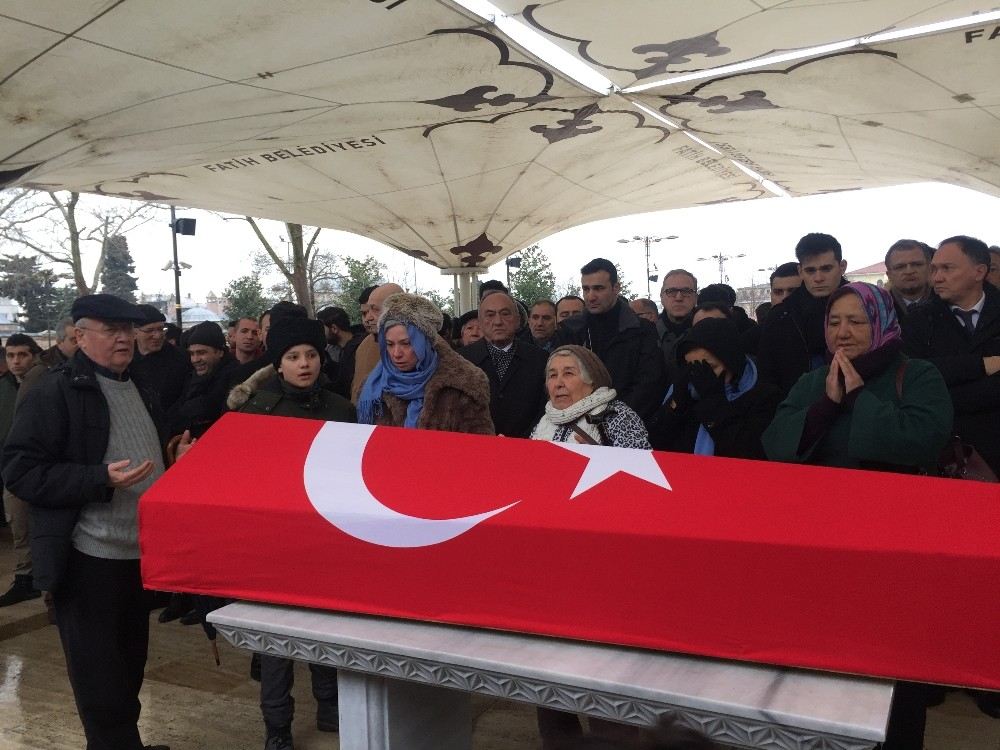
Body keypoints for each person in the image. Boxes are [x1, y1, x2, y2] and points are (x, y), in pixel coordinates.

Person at [763, 282, 952, 749]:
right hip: (823, 543)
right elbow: (775, 443)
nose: (842, 332)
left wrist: (858, 399)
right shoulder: (813, 380)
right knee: (825, 656)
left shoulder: (917, 373)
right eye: (834, 322)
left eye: (856, 321)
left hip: (895, 544)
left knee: (895, 664)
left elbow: (921, 438)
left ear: (881, 321)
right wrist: (825, 405)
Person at [2, 294, 178, 750]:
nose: (124, 338)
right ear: (79, 336)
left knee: (128, 671)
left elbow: (148, 459)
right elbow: (21, 471)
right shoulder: (52, 391)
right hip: (86, 558)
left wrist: (172, 459)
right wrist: (97, 478)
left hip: (137, 555)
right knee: (100, 684)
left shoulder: (141, 387)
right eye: (111, 329)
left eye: (128, 329)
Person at [228, 316, 355, 750]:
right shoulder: (255, 412)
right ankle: (277, 727)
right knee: (275, 641)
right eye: (294, 357)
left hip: (326, 540)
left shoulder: (342, 410)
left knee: (322, 631)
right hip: (273, 544)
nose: (305, 364)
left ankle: (329, 706)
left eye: (312, 355)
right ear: (278, 364)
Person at [901, 235, 1000, 475]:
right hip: (947, 454)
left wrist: (948, 383)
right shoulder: (918, 320)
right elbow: (914, 377)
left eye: (947, 268)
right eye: (934, 269)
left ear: (979, 271)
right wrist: (982, 365)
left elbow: (933, 377)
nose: (937, 277)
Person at [358, 293, 493, 433]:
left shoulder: (464, 385)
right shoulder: (372, 388)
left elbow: (478, 445)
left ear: (424, 343)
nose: (396, 353)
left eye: (406, 343)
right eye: (390, 344)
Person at [649, 318, 781, 458]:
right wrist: (676, 406)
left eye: (710, 367)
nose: (700, 375)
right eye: (692, 367)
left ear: (730, 361)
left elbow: (750, 453)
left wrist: (713, 403)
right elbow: (655, 444)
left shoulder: (764, 396)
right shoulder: (688, 391)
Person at [554, 258, 666, 422]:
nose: (591, 296)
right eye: (586, 289)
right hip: (578, 423)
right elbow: (559, 381)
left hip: (628, 423)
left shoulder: (642, 330)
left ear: (616, 288)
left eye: (598, 288)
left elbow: (648, 384)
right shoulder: (569, 331)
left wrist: (614, 419)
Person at [758, 233, 848, 394]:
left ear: (842, 267)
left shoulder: (868, 306)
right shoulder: (781, 316)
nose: (818, 278)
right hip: (799, 407)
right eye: (810, 270)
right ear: (800, 271)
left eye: (826, 269)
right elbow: (768, 377)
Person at [460, 292, 547, 437]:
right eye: (490, 315)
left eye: (505, 314)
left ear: (518, 320)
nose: (498, 321)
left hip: (528, 448)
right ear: (480, 321)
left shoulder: (540, 360)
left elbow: (545, 410)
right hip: (474, 448)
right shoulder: (460, 361)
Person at [0, 334, 46, 607]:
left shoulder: (43, 381)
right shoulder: (9, 386)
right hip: (16, 466)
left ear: (34, 355)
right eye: (11, 355)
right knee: (20, 523)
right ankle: (27, 577)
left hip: (35, 465)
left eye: (22, 355)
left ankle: (31, 578)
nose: (16, 361)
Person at [530, 345, 649, 448]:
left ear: (591, 380)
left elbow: (641, 467)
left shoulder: (617, 415)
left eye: (568, 373)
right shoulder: (546, 419)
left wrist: (599, 457)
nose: (558, 384)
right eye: (552, 375)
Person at [350, 283, 405, 402]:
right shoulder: (363, 346)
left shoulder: (427, 344)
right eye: (365, 312)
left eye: (375, 309)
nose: (368, 318)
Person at [131, 304, 191, 411]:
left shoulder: (181, 359)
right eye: (150, 330)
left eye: (161, 329)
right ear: (134, 333)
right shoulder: (124, 360)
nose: (158, 335)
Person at [656, 269, 697, 375]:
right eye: (671, 291)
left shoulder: (708, 333)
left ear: (695, 298)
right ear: (661, 297)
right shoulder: (647, 334)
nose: (679, 297)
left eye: (686, 291)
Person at [885, 239, 933, 314]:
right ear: (889, 275)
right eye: (900, 267)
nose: (909, 271)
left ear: (929, 269)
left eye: (917, 264)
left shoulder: (949, 303)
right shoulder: (878, 309)